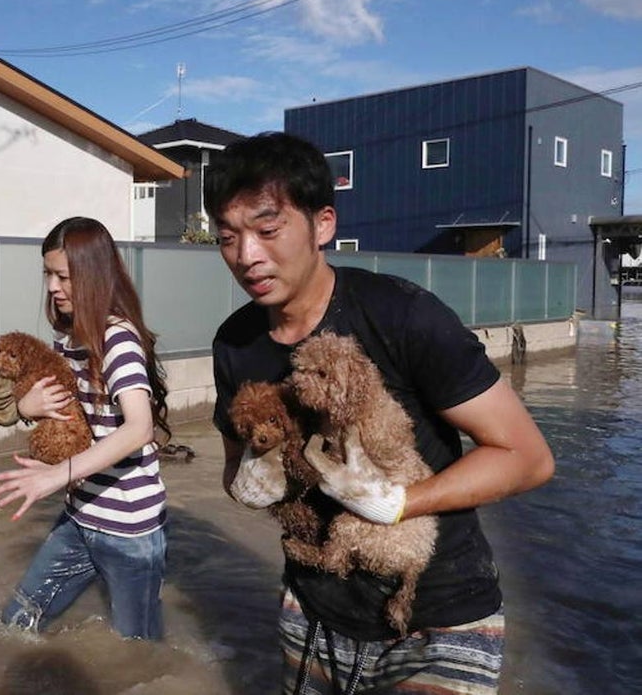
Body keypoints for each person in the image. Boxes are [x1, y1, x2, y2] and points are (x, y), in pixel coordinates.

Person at [204, 132, 555, 693]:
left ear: (323, 224)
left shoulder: (404, 316)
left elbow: (527, 458)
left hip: (439, 617)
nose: (246, 256)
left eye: (267, 230)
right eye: (227, 237)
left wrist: (397, 503)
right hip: (312, 610)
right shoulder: (235, 345)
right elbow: (233, 464)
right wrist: (248, 479)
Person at [0, 216, 171, 640]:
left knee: (137, 648)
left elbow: (140, 428)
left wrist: (56, 475)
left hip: (130, 530)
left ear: (92, 276)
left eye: (63, 276)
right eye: (48, 274)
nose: (52, 287)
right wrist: (24, 407)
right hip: (80, 515)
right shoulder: (66, 340)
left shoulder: (117, 340)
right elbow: (65, 412)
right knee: (17, 620)